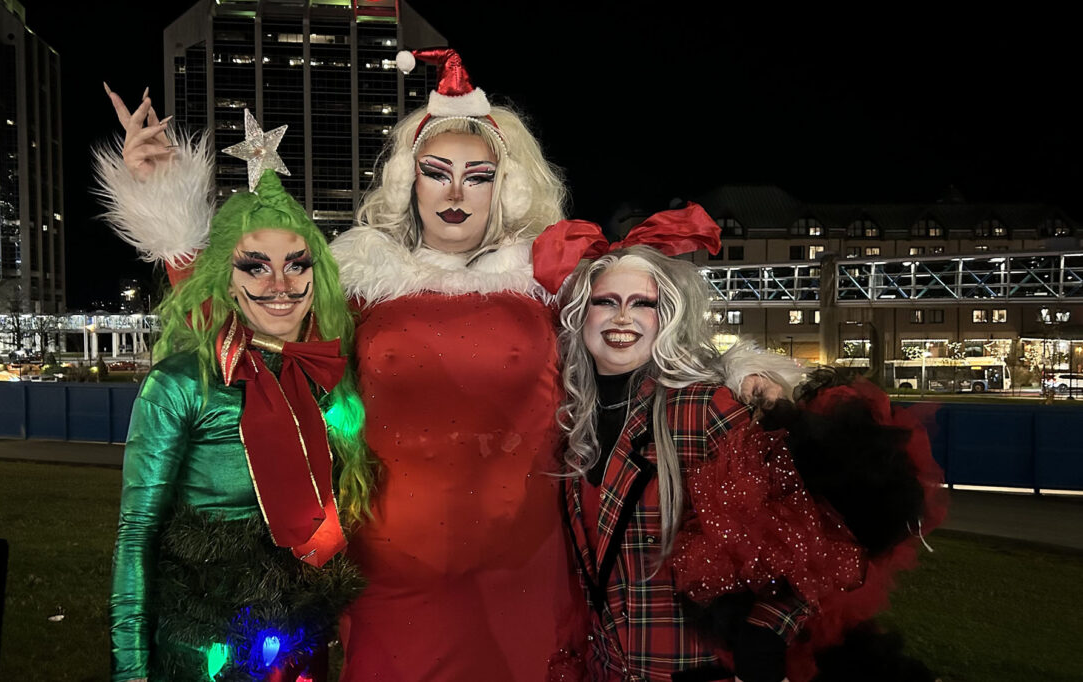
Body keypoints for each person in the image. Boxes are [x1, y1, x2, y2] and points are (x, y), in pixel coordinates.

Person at [97, 50, 792, 681]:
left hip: (526, 569)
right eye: (437, 173)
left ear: (503, 188)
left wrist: (741, 373)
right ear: (412, 183)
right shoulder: (359, 279)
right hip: (390, 573)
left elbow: (643, 335)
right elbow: (247, 323)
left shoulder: (549, 279)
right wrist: (169, 211)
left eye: (477, 176)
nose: (455, 192)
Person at [541, 214, 944, 682]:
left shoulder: (704, 406)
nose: (623, 318)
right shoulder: (575, 426)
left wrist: (765, 633)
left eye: (642, 304)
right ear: (580, 315)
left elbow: (819, 536)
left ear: (666, 317)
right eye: (605, 302)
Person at [106, 165, 373, 682]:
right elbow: (136, 534)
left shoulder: (328, 377)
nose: (280, 284)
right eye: (255, 267)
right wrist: (130, 669)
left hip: (299, 640)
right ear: (225, 279)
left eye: (297, 265)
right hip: (202, 645)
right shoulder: (181, 383)